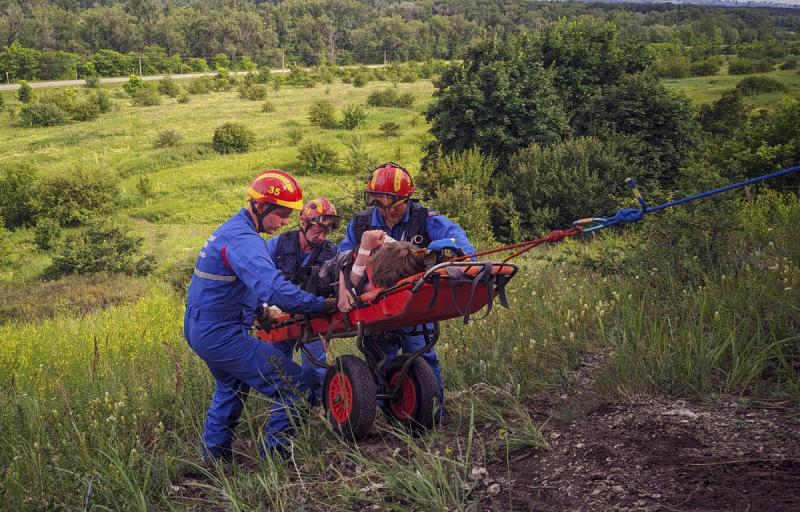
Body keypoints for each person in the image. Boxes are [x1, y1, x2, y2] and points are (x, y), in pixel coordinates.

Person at [184, 169, 337, 461]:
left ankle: (214, 461)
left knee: (231, 388)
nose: (285, 221)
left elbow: (235, 282)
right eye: (281, 213)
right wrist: (320, 305)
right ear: (262, 206)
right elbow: (276, 290)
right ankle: (276, 459)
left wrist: (257, 312)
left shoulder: (230, 231)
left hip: (201, 327)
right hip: (222, 334)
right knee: (297, 386)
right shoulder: (246, 241)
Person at [337, 162, 476, 406]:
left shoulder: (427, 220)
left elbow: (462, 245)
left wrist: (455, 254)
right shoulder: (360, 224)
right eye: (380, 204)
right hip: (376, 307)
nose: (387, 211)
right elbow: (340, 257)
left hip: (415, 307)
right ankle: (386, 416)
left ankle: (433, 411)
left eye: (393, 204)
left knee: (422, 357)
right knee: (381, 360)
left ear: (407, 198)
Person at [265, 197, 340, 384]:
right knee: (277, 366)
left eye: (326, 232)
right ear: (303, 223)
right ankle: (284, 407)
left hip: (314, 317)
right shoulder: (277, 244)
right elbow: (261, 278)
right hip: (279, 317)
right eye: (317, 230)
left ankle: (317, 408)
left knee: (315, 369)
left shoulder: (333, 253)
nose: (322, 237)